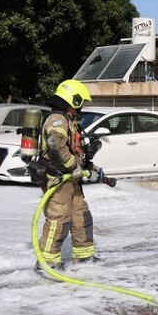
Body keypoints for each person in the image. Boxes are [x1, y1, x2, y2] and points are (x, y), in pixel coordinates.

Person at [37, 79, 103, 269]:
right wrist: (73, 166)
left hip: (71, 181)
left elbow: (73, 148)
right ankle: (47, 263)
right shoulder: (57, 120)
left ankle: (84, 258)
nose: (81, 107)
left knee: (81, 216)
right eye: (80, 102)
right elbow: (55, 145)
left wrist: (89, 166)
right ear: (72, 100)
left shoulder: (68, 120)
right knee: (58, 220)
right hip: (58, 180)